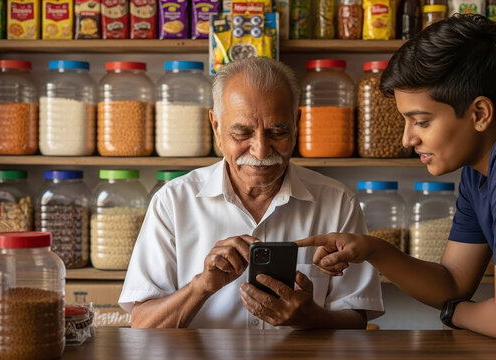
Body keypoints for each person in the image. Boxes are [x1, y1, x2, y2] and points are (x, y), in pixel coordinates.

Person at [297, 14, 496, 343]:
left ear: (479, 114)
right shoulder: (480, 171)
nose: (407, 139)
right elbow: (452, 283)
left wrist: (453, 313)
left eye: (421, 121)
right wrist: (374, 250)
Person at [119, 58, 384, 329]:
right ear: (216, 127)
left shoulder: (338, 202)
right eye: (242, 133)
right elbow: (143, 325)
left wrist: (311, 318)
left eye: (277, 132)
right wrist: (200, 287)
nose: (260, 151)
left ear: (296, 124)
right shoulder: (173, 202)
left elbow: (355, 318)